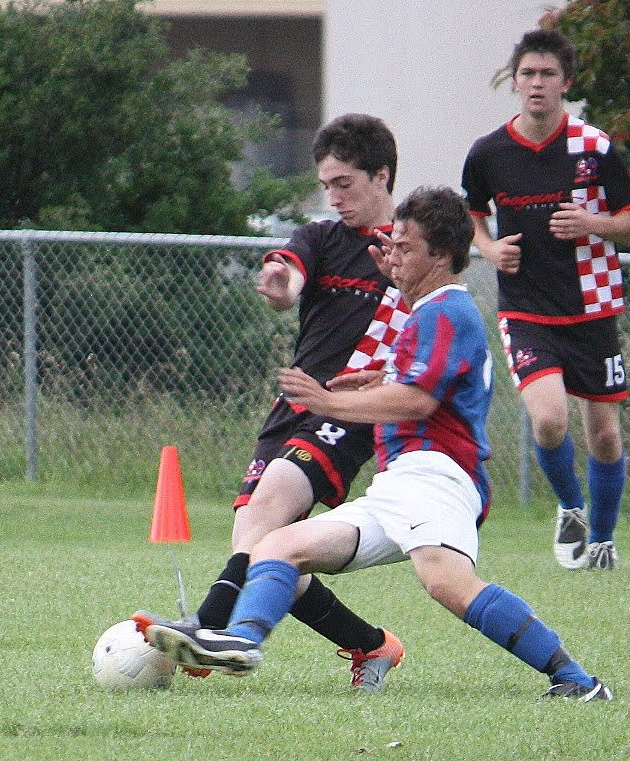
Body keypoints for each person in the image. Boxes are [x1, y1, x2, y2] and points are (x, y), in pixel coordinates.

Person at [140, 186, 613, 702]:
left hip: (438, 476)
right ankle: (240, 641)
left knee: (446, 582)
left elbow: (417, 402)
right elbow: (424, 381)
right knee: (278, 545)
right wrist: (373, 378)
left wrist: (328, 401)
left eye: (406, 247)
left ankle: (578, 680)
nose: (393, 256)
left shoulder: (446, 311)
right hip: (399, 483)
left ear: (441, 256)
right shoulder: (427, 310)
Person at [134, 113, 410, 692]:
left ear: (382, 176)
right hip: (291, 410)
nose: (333, 197)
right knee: (261, 548)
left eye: (345, 183)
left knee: (269, 511)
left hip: (346, 416)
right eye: (326, 185)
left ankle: (208, 628)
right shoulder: (323, 237)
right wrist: (281, 281)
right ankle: (372, 645)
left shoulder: (409, 253)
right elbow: (290, 267)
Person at [461, 28, 630, 570]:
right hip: (525, 310)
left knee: (606, 436)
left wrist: (592, 223)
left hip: (593, 307)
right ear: (514, 82)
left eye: (547, 74)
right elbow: (471, 217)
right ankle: (570, 508)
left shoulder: (594, 148)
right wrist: (491, 249)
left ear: (566, 82)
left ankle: (604, 540)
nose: (536, 84)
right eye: (527, 74)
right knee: (548, 421)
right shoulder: (489, 152)